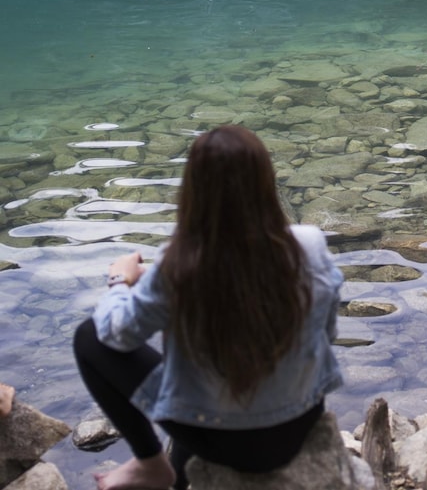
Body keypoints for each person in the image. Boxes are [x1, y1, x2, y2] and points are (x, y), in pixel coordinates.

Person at [73, 125, 343, 490]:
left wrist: (121, 280)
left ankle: (150, 464)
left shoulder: (179, 266)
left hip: (219, 441)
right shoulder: (309, 245)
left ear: (194, 190)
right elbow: (326, 334)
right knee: (208, 379)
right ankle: (180, 475)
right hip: (298, 424)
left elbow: (117, 334)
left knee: (89, 336)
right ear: (265, 182)